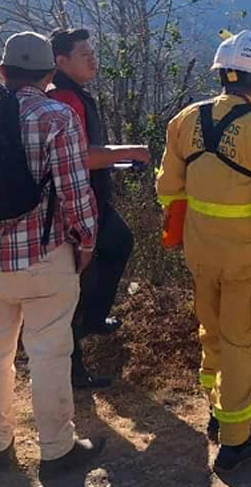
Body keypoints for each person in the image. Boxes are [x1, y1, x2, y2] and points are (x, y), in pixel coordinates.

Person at [156, 30, 251, 472]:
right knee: (240, 342)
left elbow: (168, 191)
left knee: (211, 333)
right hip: (249, 259)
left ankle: (217, 414)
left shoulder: (184, 120)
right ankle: (236, 441)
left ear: (221, 74)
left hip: (201, 254)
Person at [0, 31, 105, 478]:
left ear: (3, 71)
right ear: (49, 73)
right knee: (47, 354)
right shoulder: (57, 115)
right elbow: (75, 194)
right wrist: (86, 243)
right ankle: (57, 450)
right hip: (44, 256)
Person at [47, 27, 151, 390]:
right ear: (60, 62)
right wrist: (130, 152)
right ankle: (73, 367)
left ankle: (93, 319)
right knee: (78, 281)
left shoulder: (75, 94)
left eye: (92, 51)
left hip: (93, 201)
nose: (92, 58)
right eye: (83, 54)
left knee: (118, 243)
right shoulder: (63, 98)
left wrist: (116, 162)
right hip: (75, 207)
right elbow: (78, 157)